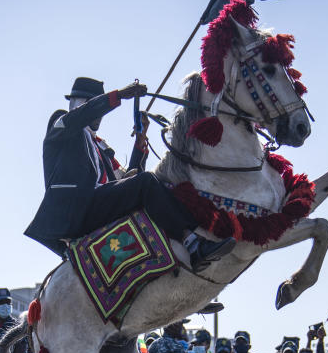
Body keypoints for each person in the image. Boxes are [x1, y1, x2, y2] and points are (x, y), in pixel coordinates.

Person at [23, 77, 235, 271]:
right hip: (74, 210)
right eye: (96, 107)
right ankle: (192, 243)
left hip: (95, 206)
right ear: (79, 104)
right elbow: (80, 116)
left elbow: (123, 182)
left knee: (153, 188)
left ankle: (179, 267)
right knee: (144, 183)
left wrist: (140, 144)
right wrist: (119, 95)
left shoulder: (101, 147)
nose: (101, 116)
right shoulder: (61, 123)